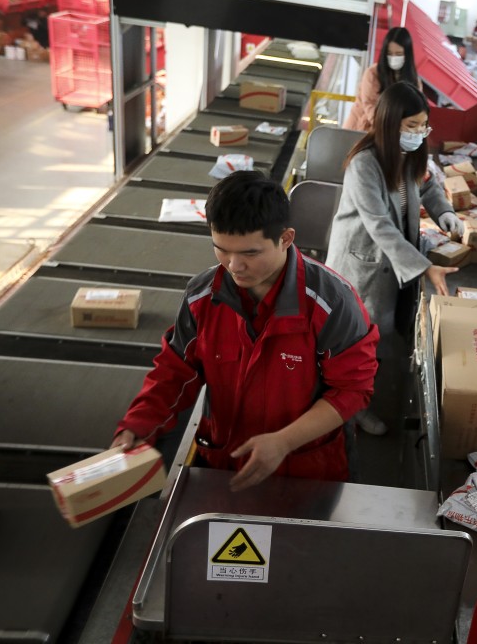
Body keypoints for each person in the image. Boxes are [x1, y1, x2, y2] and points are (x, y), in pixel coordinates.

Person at [111, 171, 379, 490]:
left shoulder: (331, 303)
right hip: (223, 463)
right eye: (222, 249)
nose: (234, 266)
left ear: (286, 238)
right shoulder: (203, 297)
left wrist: (283, 441)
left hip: (306, 469)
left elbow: (352, 389)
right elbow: (175, 371)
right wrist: (137, 426)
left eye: (250, 253)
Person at [326, 81, 465, 436]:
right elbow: (379, 225)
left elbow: (429, 186)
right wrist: (425, 267)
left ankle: (358, 400)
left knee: (381, 339)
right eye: (411, 126)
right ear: (391, 124)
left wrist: (444, 213)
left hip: (396, 258)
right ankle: (349, 409)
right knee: (358, 342)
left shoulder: (409, 155)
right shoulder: (365, 164)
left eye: (423, 126)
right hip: (364, 264)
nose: (419, 134)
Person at [344, 27, 420, 132]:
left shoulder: (415, 81)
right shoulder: (372, 73)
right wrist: (390, 131)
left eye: (398, 54)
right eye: (389, 53)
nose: (393, 57)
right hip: (361, 130)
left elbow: (417, 111)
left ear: (407, 55)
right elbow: (370, 106)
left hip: (391, 135)